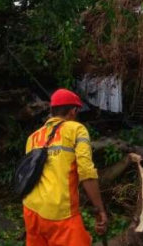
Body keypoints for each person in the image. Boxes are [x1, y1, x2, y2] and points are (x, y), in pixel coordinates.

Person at [23, 89, 107, 246]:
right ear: (74, 111)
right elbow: (86, 173)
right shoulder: (76, 129)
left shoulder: (33, 137)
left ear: (52, 110)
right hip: (60, 213)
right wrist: (100, 209)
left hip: (31, 210)